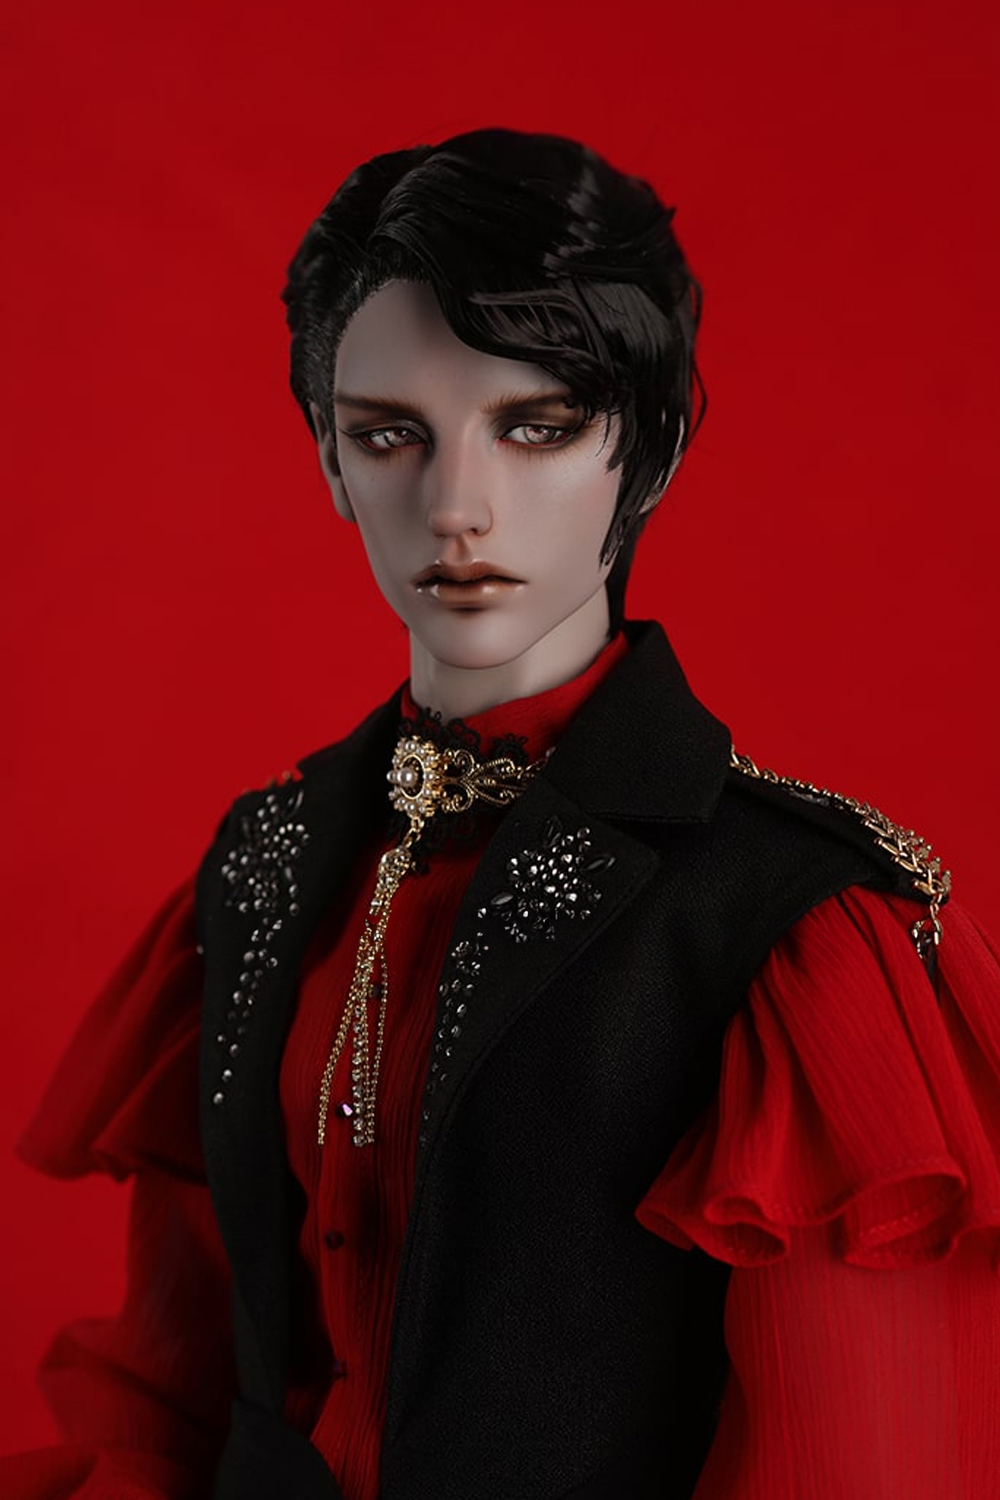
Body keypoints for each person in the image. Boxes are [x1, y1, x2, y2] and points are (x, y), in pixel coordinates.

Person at [6, 128, 1000, 1500]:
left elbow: (852, 1461)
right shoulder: (266, 864)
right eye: (388, 434)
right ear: (328, 458)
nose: (456, 507)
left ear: (650, 450)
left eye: (538, 426)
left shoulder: (791, 923)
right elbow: (168, 1393)